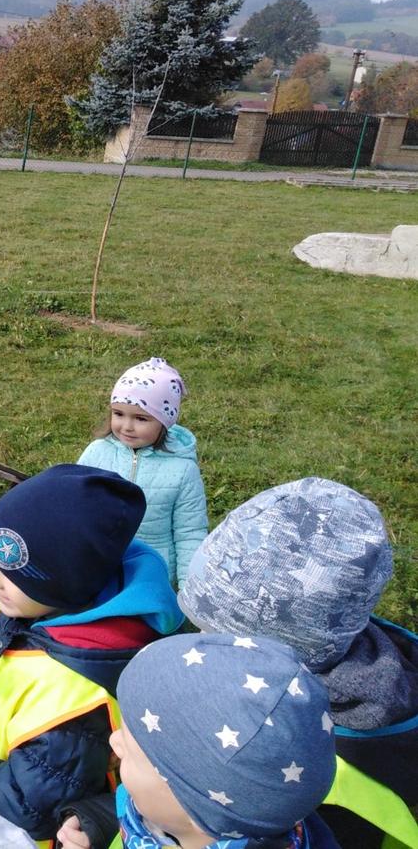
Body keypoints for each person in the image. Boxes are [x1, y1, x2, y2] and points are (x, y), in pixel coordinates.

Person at [0, 463, 184, 846]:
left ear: (63, 585)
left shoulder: (77, 695)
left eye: (10, 572)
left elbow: (31, 808)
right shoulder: (30, 605)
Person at [178, 479, 418, 849]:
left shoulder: (311, 752)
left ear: (279, 647)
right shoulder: (334, 661)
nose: (199, 643)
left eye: (213, 635)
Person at [57, 633, 340, 849]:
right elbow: (155, 813)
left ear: (200, 816)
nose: (114, 741)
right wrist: (98, 822)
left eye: (131, 751)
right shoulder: (221, 809)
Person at [78, 357, 207, 587]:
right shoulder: (96, 452)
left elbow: (190, 532)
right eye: (119, 414)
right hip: (96, 566)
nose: (127, 426)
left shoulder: (183, 470)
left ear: (164, 421)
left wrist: (190, 588)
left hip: (151, 576)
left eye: (141, 418)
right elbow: (73, 506)